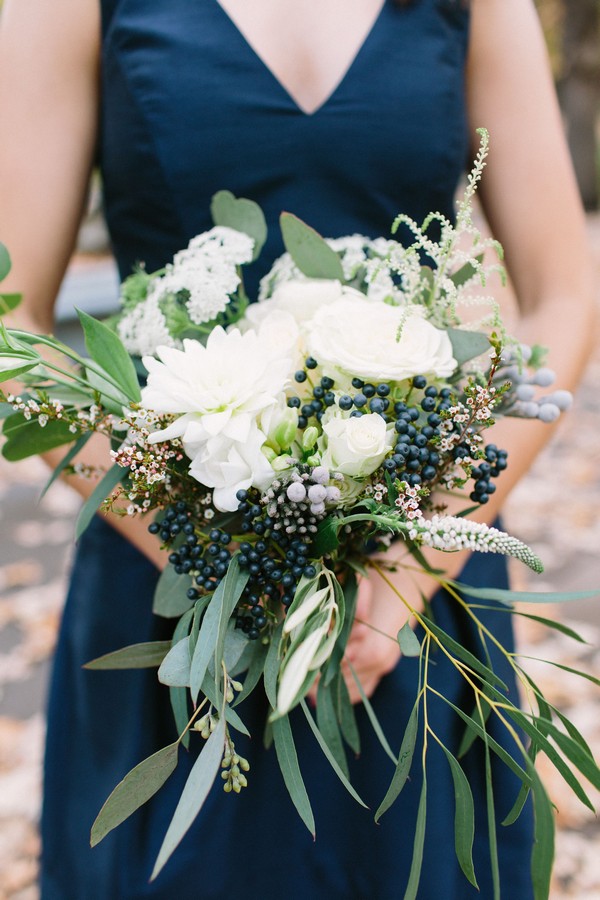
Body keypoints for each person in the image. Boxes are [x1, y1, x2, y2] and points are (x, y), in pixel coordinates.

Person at [0, 0, 595, 897]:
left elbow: (564, 296)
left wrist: (415, 557)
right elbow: (13, 332)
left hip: (410, 599)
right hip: (178, 585)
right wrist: (224, 561)